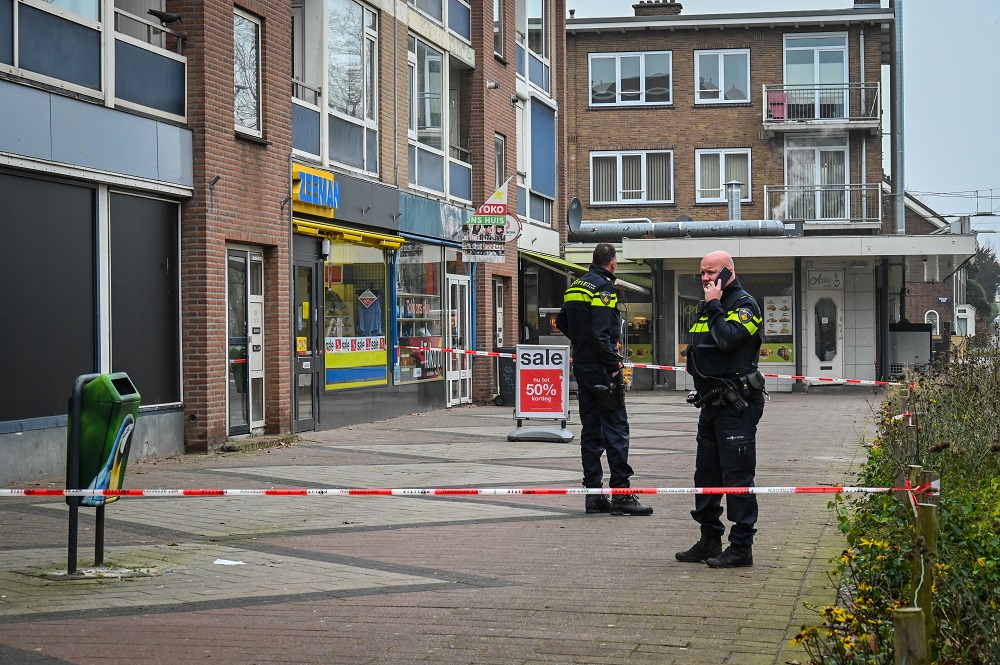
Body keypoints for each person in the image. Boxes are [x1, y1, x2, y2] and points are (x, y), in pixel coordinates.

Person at [676, 250, 766, 568]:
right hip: (710, 403)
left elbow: (728, 340)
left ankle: (741, 547)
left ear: (727, 272)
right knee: (707, 475)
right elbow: (700, 345)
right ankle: (710, 540)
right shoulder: (709, 305)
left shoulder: (745, 305)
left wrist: (714, 305)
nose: (704, 278)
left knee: (737, 476)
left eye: (710, 272)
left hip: (736, 406)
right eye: (701, 272)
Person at [556, 243, 653, 517]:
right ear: (612, 263)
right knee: (616, 429)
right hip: (601, 367)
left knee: (591, 431)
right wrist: (612, 365)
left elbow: (563, 322)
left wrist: (581, 342)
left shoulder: (576, 286)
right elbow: (601, 333)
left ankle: (594, 495)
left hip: (584, 367)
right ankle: (621, 493)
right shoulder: (603, 288)